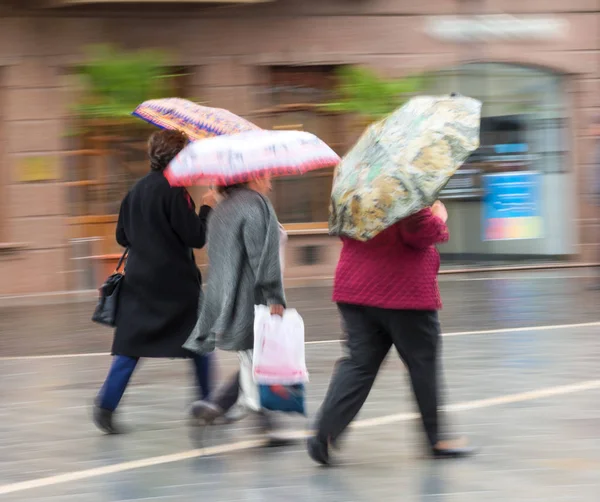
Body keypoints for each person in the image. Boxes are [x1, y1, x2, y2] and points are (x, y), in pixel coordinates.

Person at [307, 201, 475, 464]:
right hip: (403, 292)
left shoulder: (355, 183)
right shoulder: (399, 185)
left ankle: (324, 434)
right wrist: (438, 216)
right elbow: (417, 231)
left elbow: (342, 228)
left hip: (355, 287)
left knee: (359, 364)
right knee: (422, 364)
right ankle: (436, 439)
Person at [93, 129, 216, 434]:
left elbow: (122, 236)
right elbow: (196, 237)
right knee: (199, 343)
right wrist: (207, 207)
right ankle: (206, 404)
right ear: (178, 158)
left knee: (130, 348)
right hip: (175, 287)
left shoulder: (135, 191)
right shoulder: (176, 192)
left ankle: (105, 407)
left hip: (139, 284)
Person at [183, 176, 291, 444]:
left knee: (257, 359)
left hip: (230, 295)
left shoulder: (224, 208)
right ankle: (262, 423)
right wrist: (274, 296)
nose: (270, 183)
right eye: (265, 176)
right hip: (253, 297)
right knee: (261, 359)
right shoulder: (253, 205)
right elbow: (260, 257)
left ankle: (219, 407)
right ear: (253, 178)